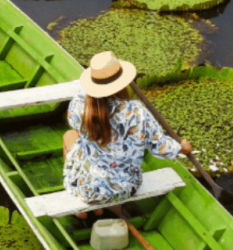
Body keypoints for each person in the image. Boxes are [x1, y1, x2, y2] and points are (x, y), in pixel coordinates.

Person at [62, 51, 192, 219]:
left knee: (69, 136)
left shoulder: (81, 108)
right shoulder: (137, 111)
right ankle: (106, 205)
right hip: (127, 189)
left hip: (88, 190)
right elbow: (160, 147)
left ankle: (84, 209)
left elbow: (72, 121)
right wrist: (182, 148)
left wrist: (88, 92)